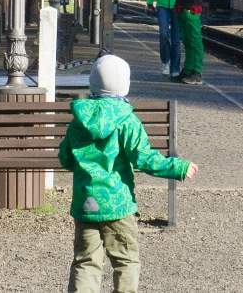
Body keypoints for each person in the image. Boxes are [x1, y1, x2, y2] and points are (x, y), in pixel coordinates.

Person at [60, 53, 196, 292]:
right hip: (118, 205)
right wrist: (178, 167)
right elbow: (144, 159)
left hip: (86, 203)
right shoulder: (127, 120)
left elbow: (65, 158)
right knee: (125, 260)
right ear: (125, 83)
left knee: (85, 261)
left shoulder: (78, 121)